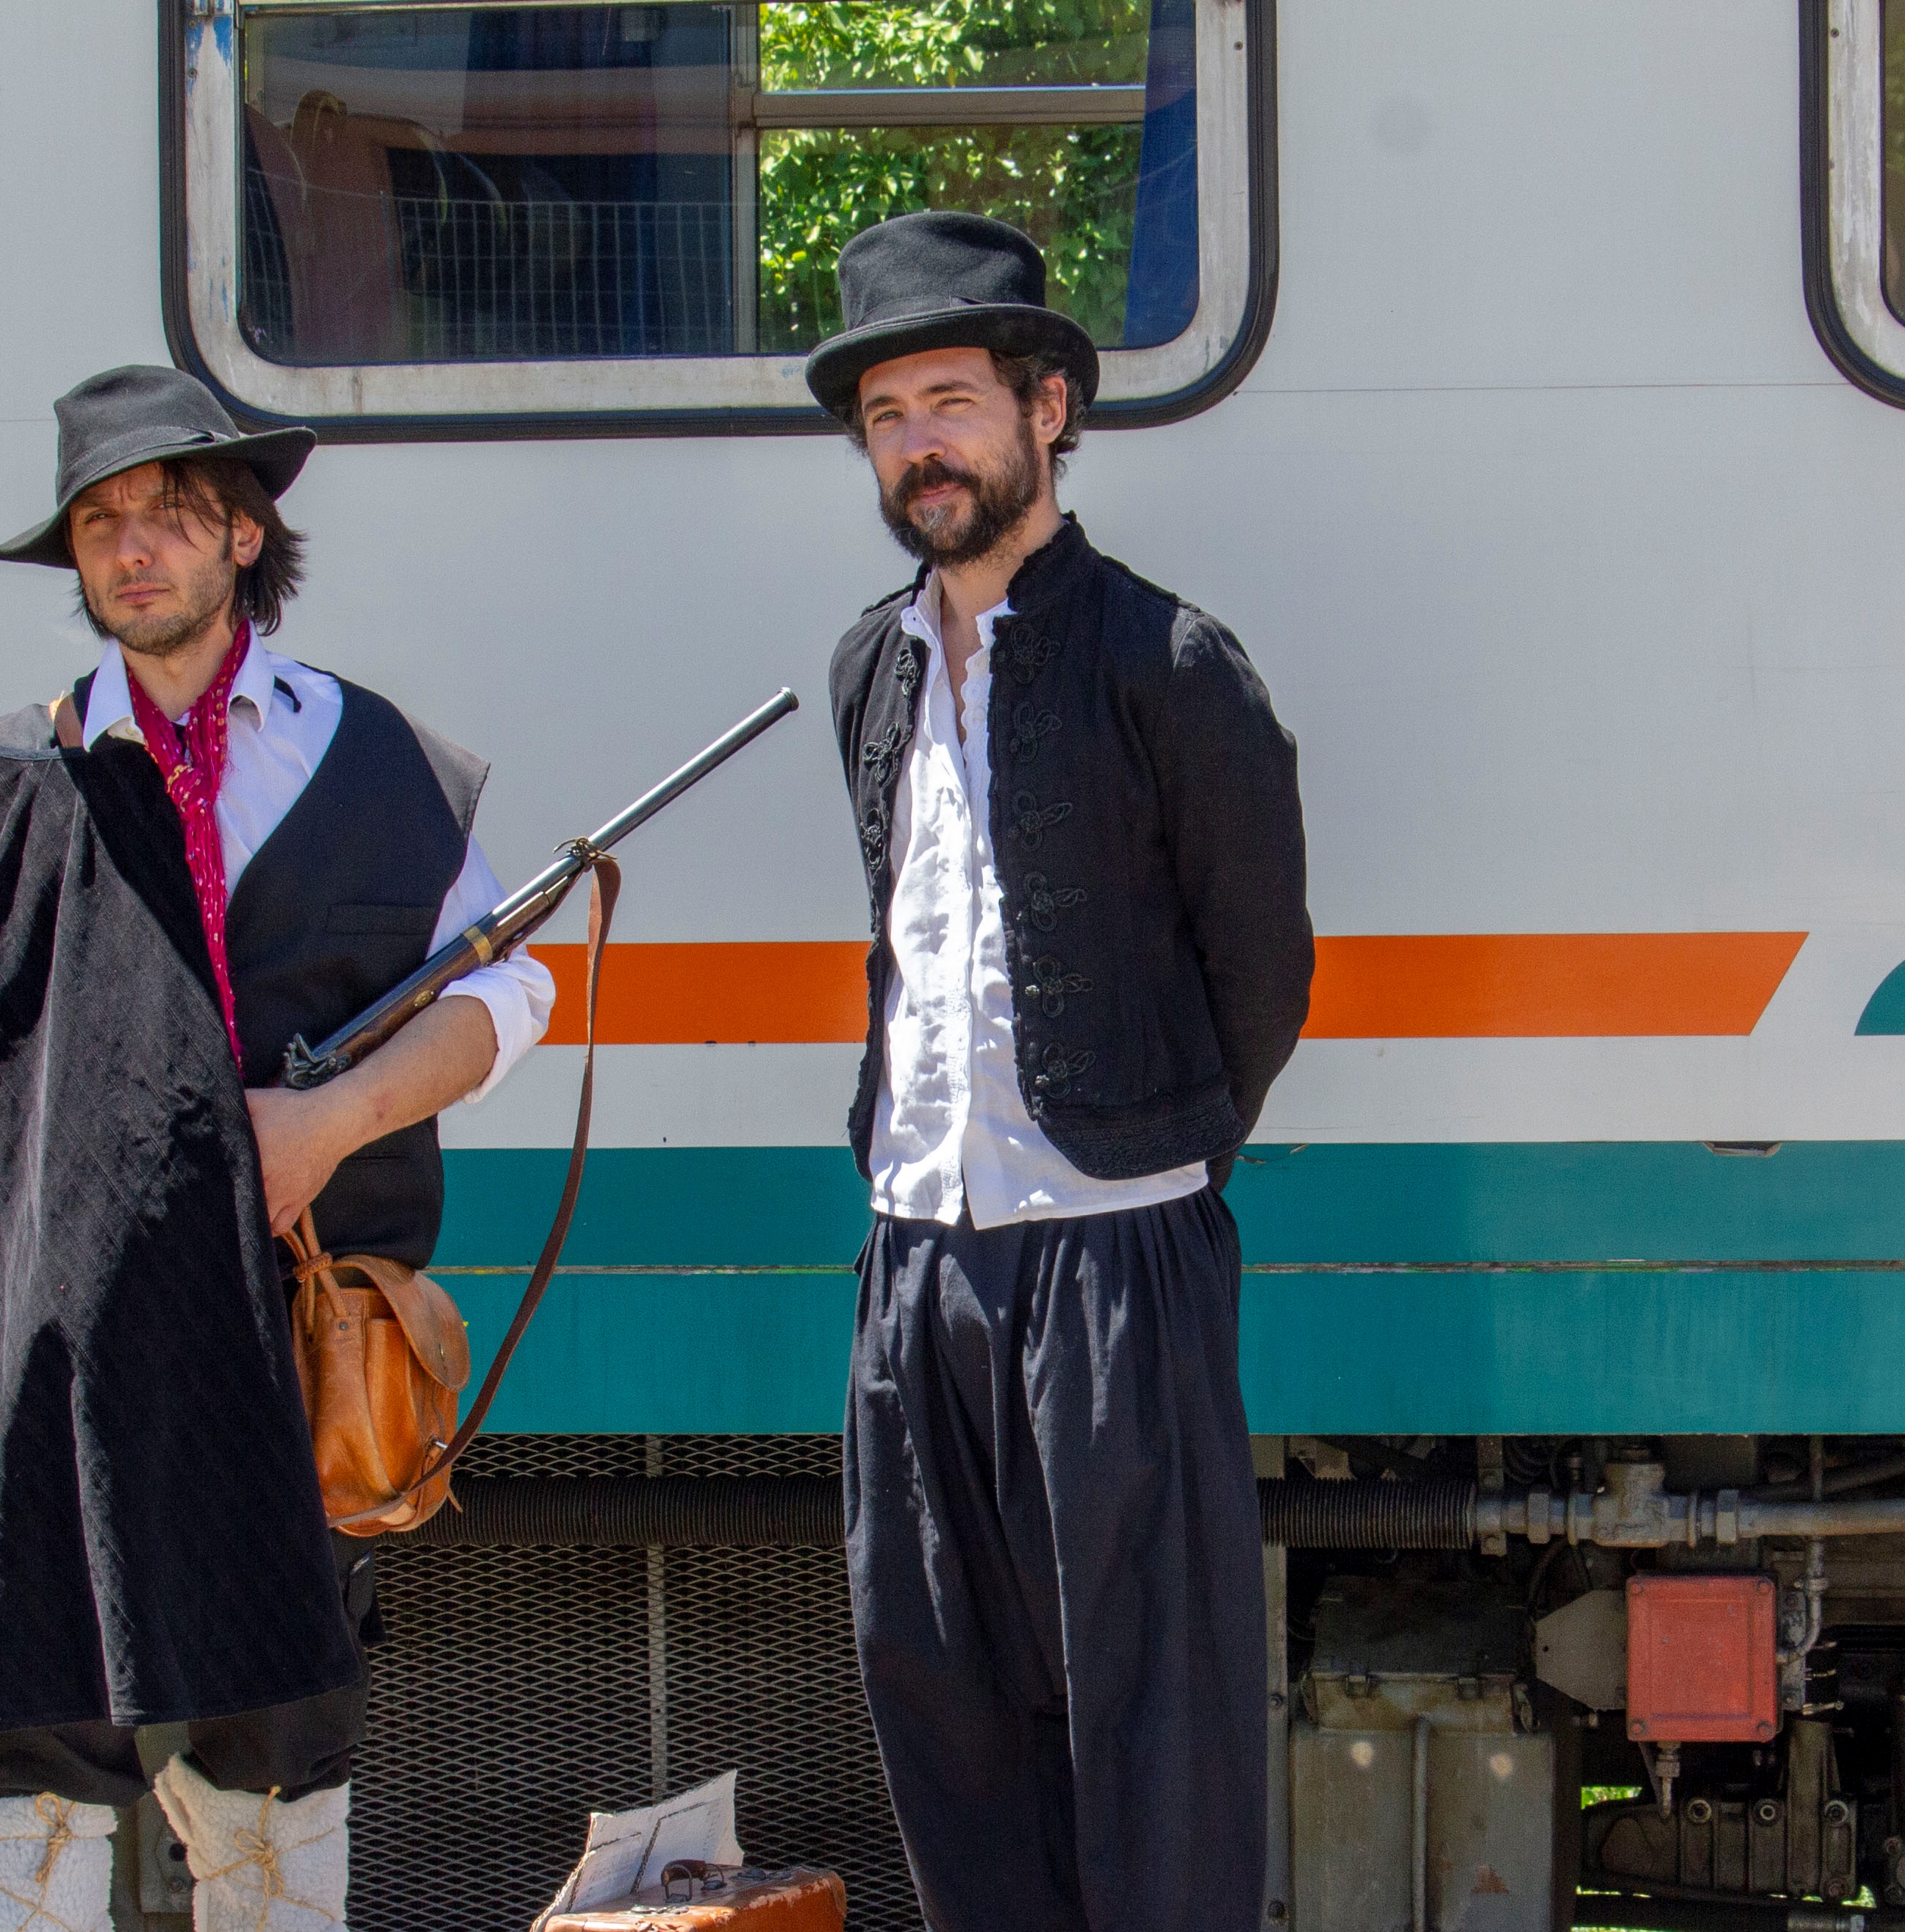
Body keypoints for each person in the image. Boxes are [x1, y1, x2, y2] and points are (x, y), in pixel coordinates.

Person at [0, 365, 552, 1932]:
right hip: (55, 1362)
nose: (132, 551)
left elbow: (513, 995)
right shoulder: (12, 785)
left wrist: (329, 1121)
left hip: (290, 1330)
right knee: (39, 1732)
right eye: (100, 523)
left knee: (276, 1744)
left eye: (168, 518)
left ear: (247, 537)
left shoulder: (384, 764)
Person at [808, 212, 1315, 1932]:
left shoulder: (1168, 662)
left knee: (1153, 1716)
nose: (916, 445)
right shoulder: (867, 666)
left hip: (1115, 1249)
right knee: (943, 1696)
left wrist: (1143, 1158)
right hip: (916, 1251)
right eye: (884, 418)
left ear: (1047, 411)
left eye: (948, 400)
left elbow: (1260, 971)